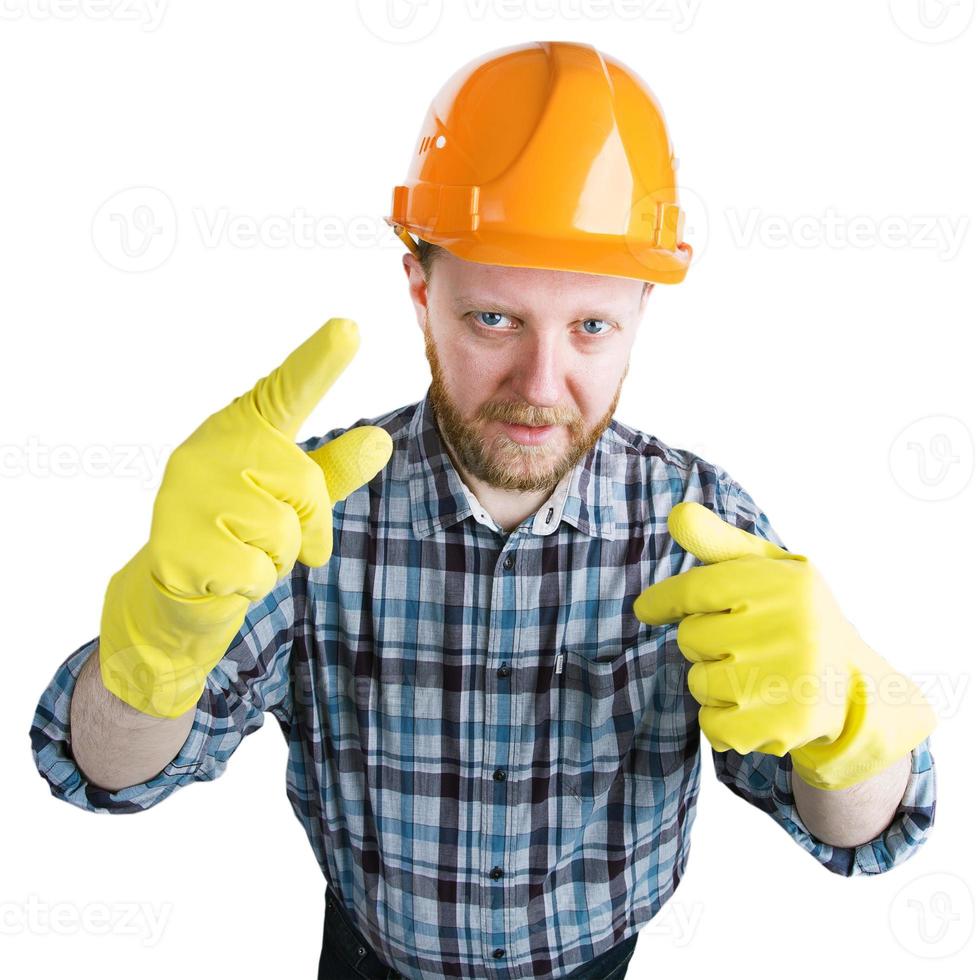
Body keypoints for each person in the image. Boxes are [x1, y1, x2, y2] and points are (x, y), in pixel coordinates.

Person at [29, 41, 937, 980]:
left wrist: (846, 723)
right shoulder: (300, 508)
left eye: (590, 326)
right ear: (422, 296)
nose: (541, 386)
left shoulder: (700, 521)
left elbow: (865, 835)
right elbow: (103, 771)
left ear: (638, 317)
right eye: (494, 319)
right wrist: (159, 646)